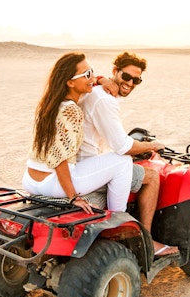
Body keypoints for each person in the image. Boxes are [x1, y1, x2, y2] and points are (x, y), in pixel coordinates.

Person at [79, 52, 178, 257]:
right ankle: (146, 241)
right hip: (88, 167)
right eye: (126, 77)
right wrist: (151, 146)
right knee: (151, 177)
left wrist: (101, 79)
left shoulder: (93, 89)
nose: (130, 83)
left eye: (137, 80)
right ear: (115, 71)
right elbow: (123, 146)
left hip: (81, 162)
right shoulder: (105, 100)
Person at [21, 52, 134, 214]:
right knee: (123, 161)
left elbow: (84, 80)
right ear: (70, 83)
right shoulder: (71, 111)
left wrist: (100, 79)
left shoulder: (50, 103)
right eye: (87, 74)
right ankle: (118, 217)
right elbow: (60, 159)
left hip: (30, 180)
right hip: (52, 183)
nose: (92, 77)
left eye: (92, 71)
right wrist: (73, 197)